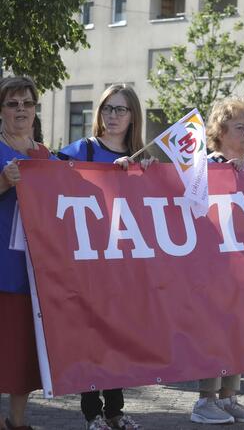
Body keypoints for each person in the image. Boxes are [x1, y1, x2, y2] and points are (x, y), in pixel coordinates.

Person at [57, 84, 149, 430]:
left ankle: (115, 411)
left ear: (132, 116)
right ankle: (91, 413)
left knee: (118, 338)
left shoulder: (143, 157)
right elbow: (49, 179)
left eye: (120, 110)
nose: (112, 116)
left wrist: (146, 175)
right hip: (87, 260)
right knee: (92, 337)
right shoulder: (85, 149)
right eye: (107, 108)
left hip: (124, 263)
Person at [189, 97, 244, 425]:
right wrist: (220, 171)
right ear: (220, 131)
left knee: (238, 330)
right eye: (239, 127)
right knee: (215, 331)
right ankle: (205, 400)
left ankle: (229, 397)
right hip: (213, 267)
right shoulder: (204, 167)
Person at [0, 77, 53, 430]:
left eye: (27, 103)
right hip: (1, 266)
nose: (21, 109)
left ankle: (18, 422)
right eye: (12, 103)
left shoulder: (45, 155)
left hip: (32, 272)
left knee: (22, 356)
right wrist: (4, 181)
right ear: (1, 110)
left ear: (35, 109)